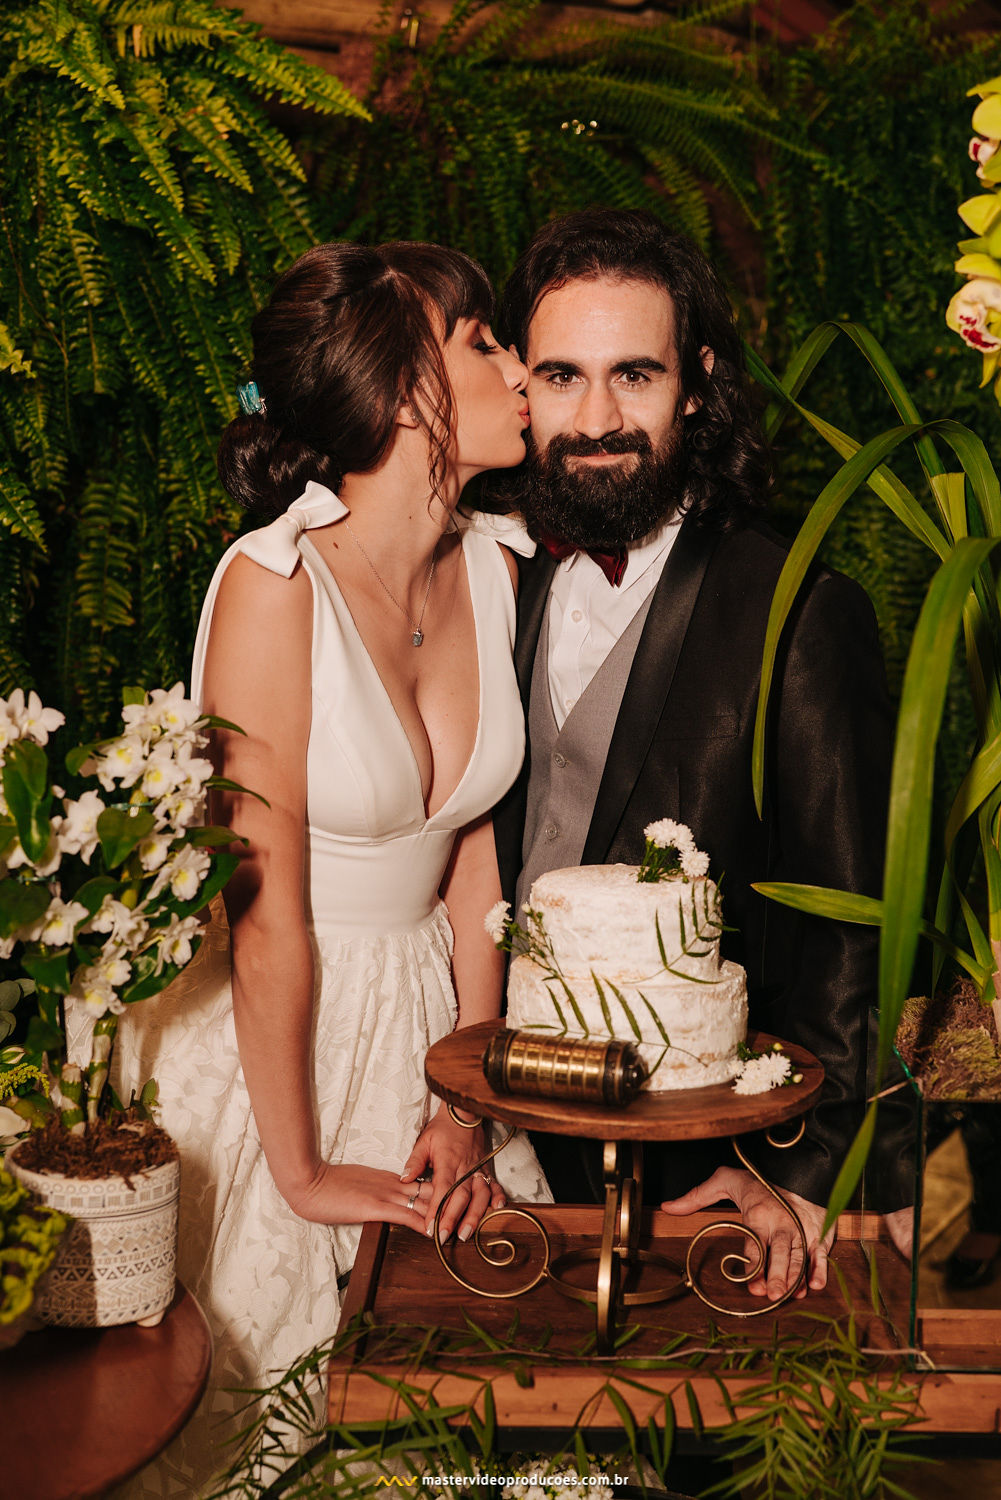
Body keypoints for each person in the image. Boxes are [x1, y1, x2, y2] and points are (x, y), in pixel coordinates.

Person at [114, 240, 551, 1497]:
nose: (517, 368)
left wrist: (466, 1104)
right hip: (284, 1036)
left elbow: (475, 867)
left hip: (438, 1025)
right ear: (396, 384)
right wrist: (301, 1169)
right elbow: (263, 914)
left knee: (471, 1405)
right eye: (481, 343)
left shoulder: (491, 565)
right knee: (263, 1427)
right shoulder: (272, 585)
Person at [489, 207, 913, 1306]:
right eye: (561, 377)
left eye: (633, 375)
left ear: (696, 381)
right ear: (519, 392)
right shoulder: (489, 579)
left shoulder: (796, 606)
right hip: (501, 1144)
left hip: (701, 1169)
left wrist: (811, 1175)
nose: (595, 419)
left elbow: (851, 919)